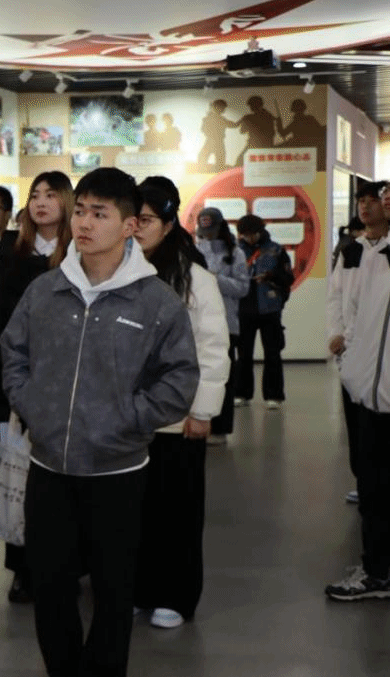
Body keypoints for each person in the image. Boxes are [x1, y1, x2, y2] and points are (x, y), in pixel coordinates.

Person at [0, 167, 199, 677]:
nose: (85, 223)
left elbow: (179, 379)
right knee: (50, 589)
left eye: (100, 213)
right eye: (82, 211)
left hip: (117, 472)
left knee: (113, 593)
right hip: (49, 467)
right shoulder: (46, 290)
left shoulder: (155, 301)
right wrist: (33, 405)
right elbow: (13, 352)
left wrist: (128, 421)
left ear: (130, 225)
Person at [131, 177, 229, 629]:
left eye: (146, 220)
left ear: (168, 224)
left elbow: (213, 347)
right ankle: (139, 588)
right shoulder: (117, 271)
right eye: (133, 219)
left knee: (177, 509)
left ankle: (176, 593)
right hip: (129, 418)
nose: (137, 227)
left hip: (177, 415)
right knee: (134, 510)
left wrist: (203, 409)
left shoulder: (195, 279)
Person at [0, 171, 74, 604]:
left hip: (70, 385)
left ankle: (67, 566)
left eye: (51, 195)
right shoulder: (14, 254)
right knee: (23, 479)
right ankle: (23, 568)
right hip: (21, 386)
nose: (40, 202)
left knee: (64, 482)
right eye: (35, 195)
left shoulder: (77, 253)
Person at [328, 182, 390, 601]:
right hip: (365, 386)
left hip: (380, 388)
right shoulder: (357, 253)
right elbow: (342, 303)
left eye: (378, 199)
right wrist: (343, 349)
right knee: (372, 483)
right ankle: (377, 569)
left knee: (380, 485)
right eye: (364, 201)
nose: (371, 206)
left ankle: (378, 572)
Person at [195, 208, 250, 445]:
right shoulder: (195, 250)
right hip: (197, 323)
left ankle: (220, 428)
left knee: (223, 377)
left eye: (211, 229)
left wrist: (214, 279)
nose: (206, 234)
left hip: (227, 324)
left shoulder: (235, 253)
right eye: (203, 229)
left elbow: (242, 288)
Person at [234, 214, 293, 409]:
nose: (249, 238)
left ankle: (274, 396)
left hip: (270, 309)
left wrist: (270, 276)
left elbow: (288, 278)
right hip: (243, 309)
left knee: (272, 354)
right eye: (245, 235)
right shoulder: (235, 251)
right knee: (243, 355)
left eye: (252, 234)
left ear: (260, 231)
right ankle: (242, 393)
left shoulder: (275, 250)